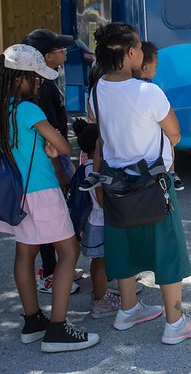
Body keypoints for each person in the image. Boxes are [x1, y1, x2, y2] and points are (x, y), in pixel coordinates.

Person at [90, 22, 191, 345]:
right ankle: (176, 322)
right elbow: (175, 132)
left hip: (115, 184)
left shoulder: (97, 89)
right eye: (139, 47)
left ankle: (128, 309)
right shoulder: (147, 91)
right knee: (167, 250)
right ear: (130, 53)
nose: (143, 52)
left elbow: (101, 132)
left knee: (125, 246)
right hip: (152, 183)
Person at [0, 44, 99, 351]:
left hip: (19, 196)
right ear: (19, 77)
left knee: (25, 254)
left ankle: (33, 321)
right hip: (43, 192)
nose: (39, 83)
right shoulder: (29, 110)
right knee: (68, 252)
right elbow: (63, 145)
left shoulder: (2, 110)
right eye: (35, 78)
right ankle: (58, 329)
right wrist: (53, 147)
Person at [21, 28, 82, 295]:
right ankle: (49, 273)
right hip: (49, 165)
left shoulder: (48, 82)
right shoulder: (40, 91)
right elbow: (51, 139)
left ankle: (54, 267)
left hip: (53, 163)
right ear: (46, 56)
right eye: (59, 49)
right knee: (48, 228)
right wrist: (59, 167)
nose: (64, 52)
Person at [70, 119, 120, 319]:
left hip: (92, 222)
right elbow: (100, 199)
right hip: (100, 222)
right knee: (101, 263)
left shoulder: (85, 166)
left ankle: (100, 295)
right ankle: (100, 301)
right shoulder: (94, 170)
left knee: (99, 262)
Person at [134, 41, 184, 191]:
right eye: (155, 66)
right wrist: (173, 140)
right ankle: (173, 173)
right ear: (146, 67)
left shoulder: (110, 87)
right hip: (156, 167)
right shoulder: (151, 90)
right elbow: (174, 133)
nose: (156, 69)